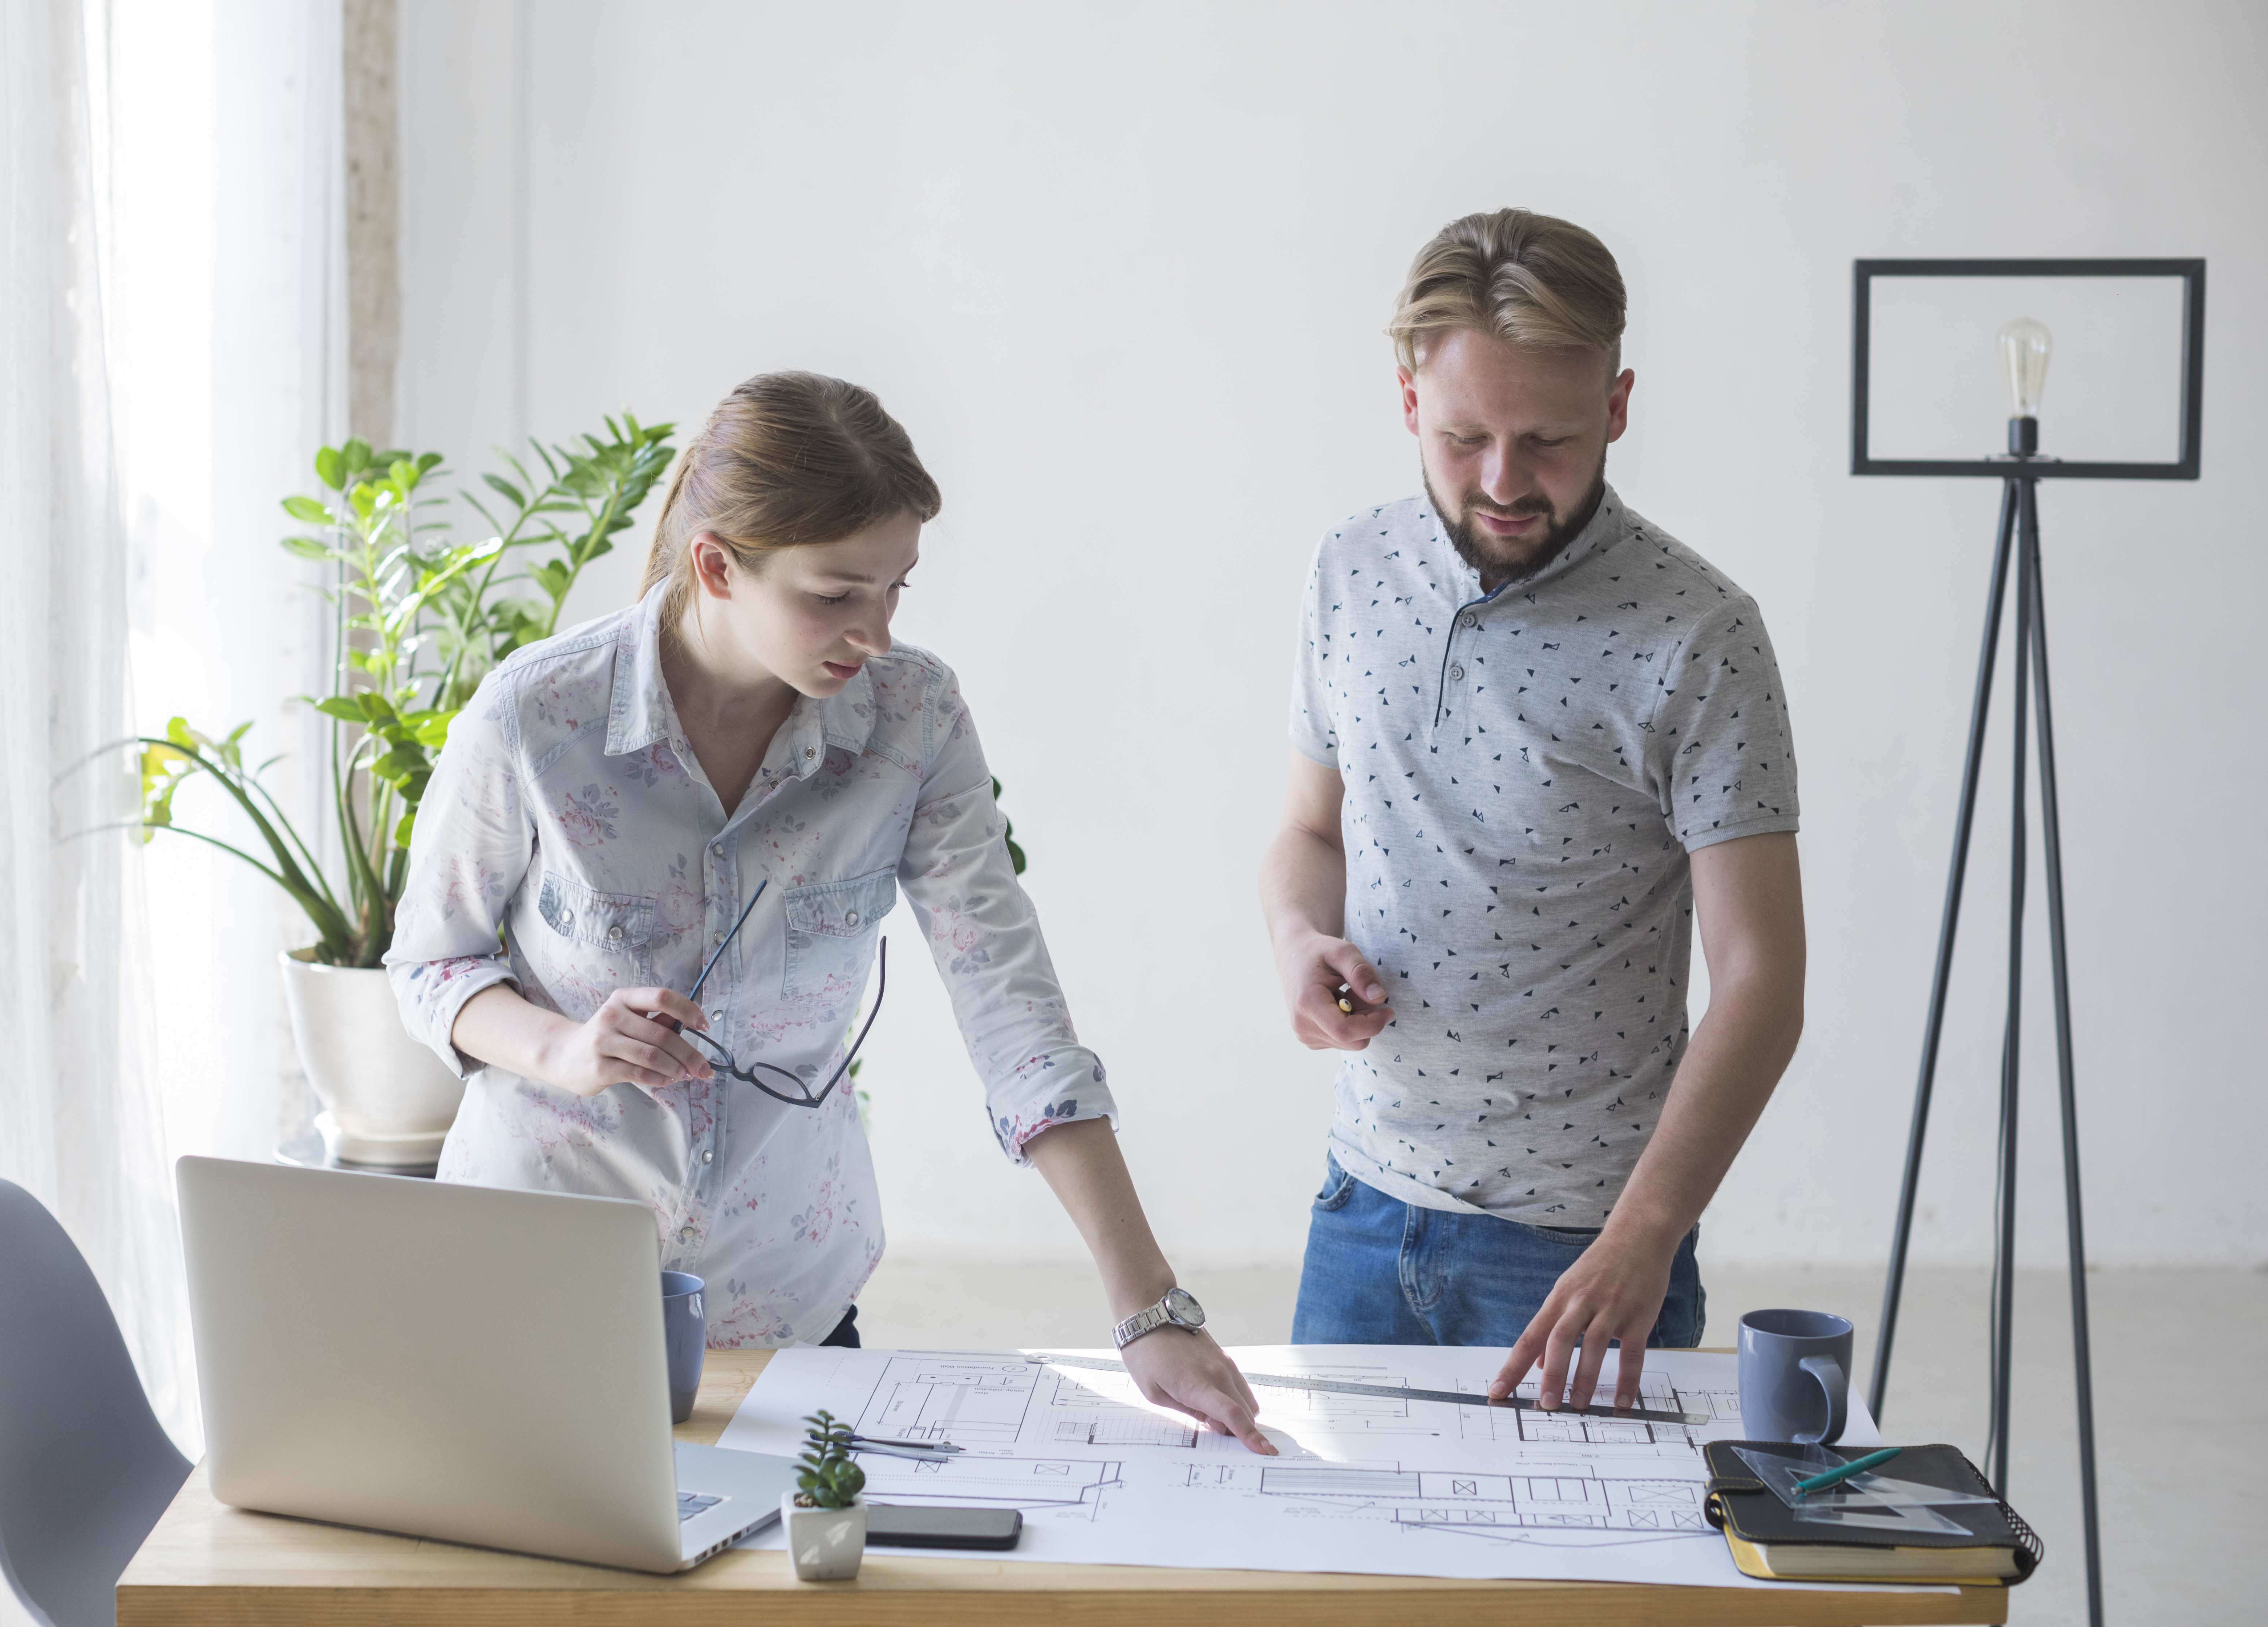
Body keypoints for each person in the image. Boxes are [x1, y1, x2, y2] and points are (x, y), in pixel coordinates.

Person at [388, 370, 1271, 1452]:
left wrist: (1150, 1310)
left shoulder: (914, 720)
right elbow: (432, 965)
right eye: (836, 594)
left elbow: (1013, 1009)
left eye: (897, 588)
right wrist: (566, 1047)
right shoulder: (536, 716)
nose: (876, 633)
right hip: (540, 1276)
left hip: (788, 1296)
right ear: (717, 564)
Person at [1261, 210, 1807, 1415]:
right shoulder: (1347, 572)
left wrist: (1647, 1233)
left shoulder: (1702, 635)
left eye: (1550, 440)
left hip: (1584, 1248)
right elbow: (1309, 832)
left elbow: (1763, 975)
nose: (1505, 483)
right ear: (1409, 401)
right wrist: (1301, 939)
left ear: (1617, 407)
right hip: (1360, 1216)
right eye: (1466, 438)